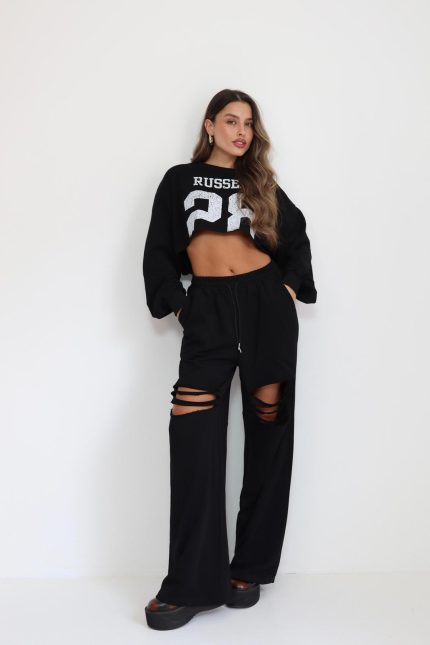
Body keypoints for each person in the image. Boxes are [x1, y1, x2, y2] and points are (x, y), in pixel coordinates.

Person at [142, 88, 317, 630]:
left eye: (248, 123)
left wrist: (286, 291)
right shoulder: (179, 179)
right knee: (192, 434)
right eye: (231, 121)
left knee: (268, 434)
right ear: (210, 125)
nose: (241, 132)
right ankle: (191, 582)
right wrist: (182, 307)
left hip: (266, 308)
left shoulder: (260, 184)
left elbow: (297, 241)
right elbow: (158, 253)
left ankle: (249, 567)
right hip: (209, 311)